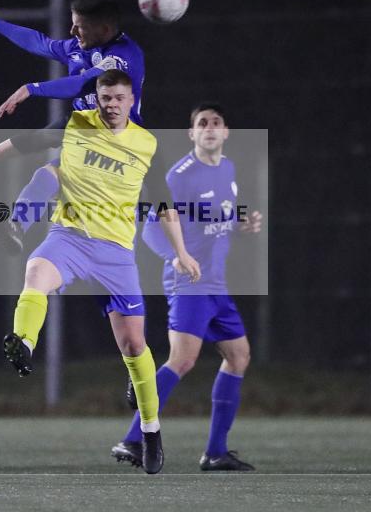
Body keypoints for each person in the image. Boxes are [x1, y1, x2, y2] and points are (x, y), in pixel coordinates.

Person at [0, 69, 200, 474]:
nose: (111, 104)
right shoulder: (77, 124)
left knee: (134, 346)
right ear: (96, 99)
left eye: (119, 97)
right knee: (35, 271)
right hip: (69, 238)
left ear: (132, 100)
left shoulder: (147, 144)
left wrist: (182, 253)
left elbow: (164, 205)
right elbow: (24, 142)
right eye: (105, 97)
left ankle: (151, 432)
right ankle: (24, 342)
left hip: (116, 253)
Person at [111, 103, 263, 472]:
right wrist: (175, 256)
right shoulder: (180, 175)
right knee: (182, 359)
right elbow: (149, 225)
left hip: (216, 286)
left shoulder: (227, 169)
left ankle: (215, 452)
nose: (210, 128)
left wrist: (243, 220)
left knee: (238, 356)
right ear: (192, 135)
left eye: (216, 122)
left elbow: (217, 214)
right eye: (201, 123)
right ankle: (133, 439)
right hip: (189, 283)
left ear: (226, 133)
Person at [0, 0, 145, 250]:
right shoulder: (79, 46)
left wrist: (32, 88)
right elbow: (39, 42)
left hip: (119, 144)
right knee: (45, 170)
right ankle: (16, 224)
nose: (72, 31)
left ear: (104, 29)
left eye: (80, 26)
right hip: (86, 130)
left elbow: (81, 83)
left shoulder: (124, 57)